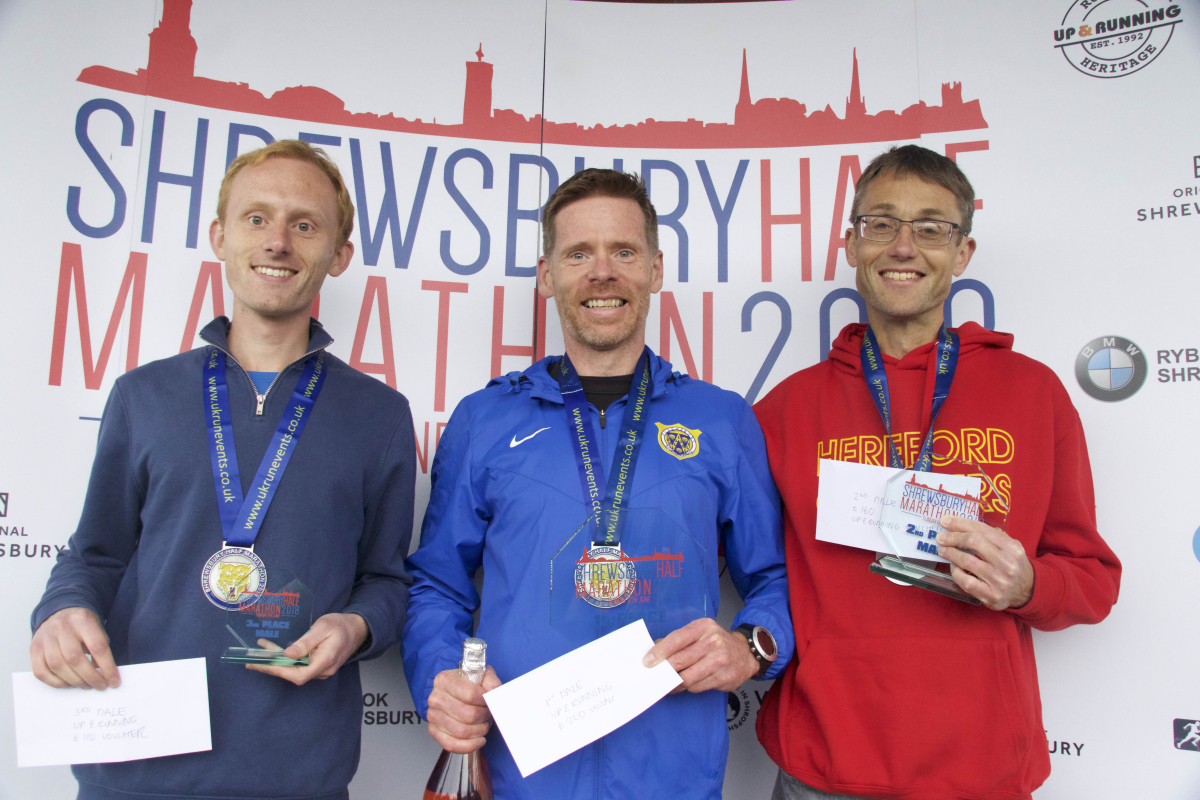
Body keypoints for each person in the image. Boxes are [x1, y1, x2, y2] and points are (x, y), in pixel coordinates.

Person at [29, 140, 416, 800]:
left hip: (297, 776)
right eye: (257, 218)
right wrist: (61, 611)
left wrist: (356, 626)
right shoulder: (142, 395)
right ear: (219, 235)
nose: (278, 242)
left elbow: (386, 579)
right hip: (136, 763)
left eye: (305, 224)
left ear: (338, 254)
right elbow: (94, 556)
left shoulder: (378, 415)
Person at [403, 168, 792, 799]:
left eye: (624, 252)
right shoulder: (484, 419)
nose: (602, 272)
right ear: (547, 273)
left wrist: (753, 644)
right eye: (579, 253)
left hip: (674, 776)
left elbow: (774, 577)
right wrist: (441, 677)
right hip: (523, 774)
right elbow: (436, 585)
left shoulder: (721, 420)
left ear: (656, 269)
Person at [753, 144, 1122, 800]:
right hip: (822, 767)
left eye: (931, 228)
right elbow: (751, 574)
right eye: (881, 224)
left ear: (963, 254)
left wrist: (1029, 582)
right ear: (850, 245)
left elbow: (1093, 582)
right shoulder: (783, 410)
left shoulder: (1033, 394)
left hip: (980, 769)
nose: (903, 246)